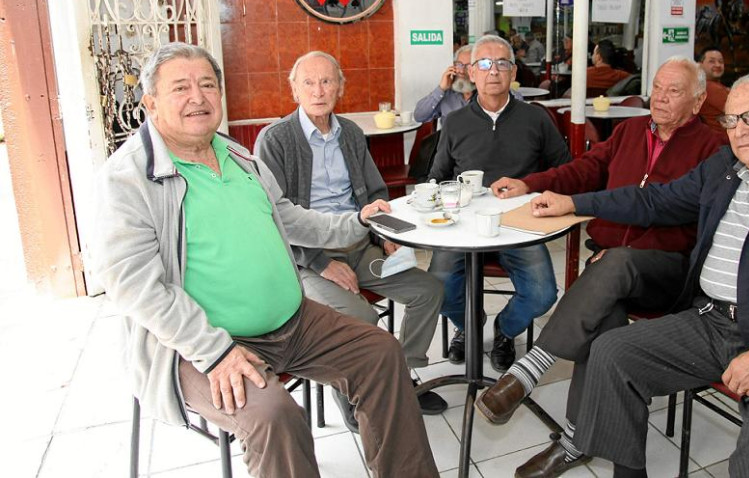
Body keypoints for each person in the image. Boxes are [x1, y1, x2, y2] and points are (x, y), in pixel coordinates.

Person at [91, 43, 437, 478]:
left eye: (207, 85)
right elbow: (134, 287)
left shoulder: (238, 155)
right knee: (276, 414)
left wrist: (355, 223)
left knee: (381, 353)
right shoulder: (127, 179)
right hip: (203, 343)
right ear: (150, 102)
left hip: (292, 321)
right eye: (180, 87)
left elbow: (289, 217)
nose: (197, 97)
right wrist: (215, 353)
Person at [518, 72, 749, 478]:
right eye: (730, 121)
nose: (739, 132)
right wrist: (573, 201)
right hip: (712, 322)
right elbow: (654, 200)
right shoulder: (724, 168)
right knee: (612, 352)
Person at [478, 57, 726, 478]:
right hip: (612, 268)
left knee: (615, 264)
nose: (660, 99)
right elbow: (587, 169)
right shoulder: (630, 130)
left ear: (699, 100)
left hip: (668, 272)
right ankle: (576, 440)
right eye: (657, 87)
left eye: (674, 91)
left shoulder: (713, 148)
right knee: (602, 319)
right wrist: (532, 183)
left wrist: (617, 253)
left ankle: (529, 370)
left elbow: (672, 211)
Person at [255, 51, 447, 430]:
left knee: (429, 290)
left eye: (327, 81)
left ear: (340, 87)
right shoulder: (274, 140)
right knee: (361, 318)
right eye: (308, 82)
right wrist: (322, 264)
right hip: (307, 258)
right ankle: (350, 391)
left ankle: (397, 377)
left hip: (359, 246)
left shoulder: (352, 134)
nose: (318, 90)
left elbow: (373, 192)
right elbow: (274, 218)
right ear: (293, 89)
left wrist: (388, 234)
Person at [427, 34, 571, 371]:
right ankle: (468, 324)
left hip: (519, 222)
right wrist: (454, 194)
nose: (494, 72)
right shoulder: (455, 122)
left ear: (513, 72)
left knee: (543, 294)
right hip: (462, 223)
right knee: (437, 288)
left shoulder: (536, 118)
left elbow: (565, 170)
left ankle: (504, 329)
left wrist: (530, 185)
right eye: (485, 64)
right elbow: (436, 177)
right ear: (472, 73)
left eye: (502, 63)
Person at [414, 44, 522, 123]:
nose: (461, 71)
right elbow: (419, 116)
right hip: (451, 151)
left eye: (467, 66)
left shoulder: (494, 92)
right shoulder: (447, 94)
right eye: (459, 64)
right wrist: (441, 88)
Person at [695, 46, 729, 134]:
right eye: (712, 61)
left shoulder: (707, 85)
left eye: (721, 61)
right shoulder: (709, 87)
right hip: (722, 142)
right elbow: (739, 109)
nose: (718, 65)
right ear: (699, 65)